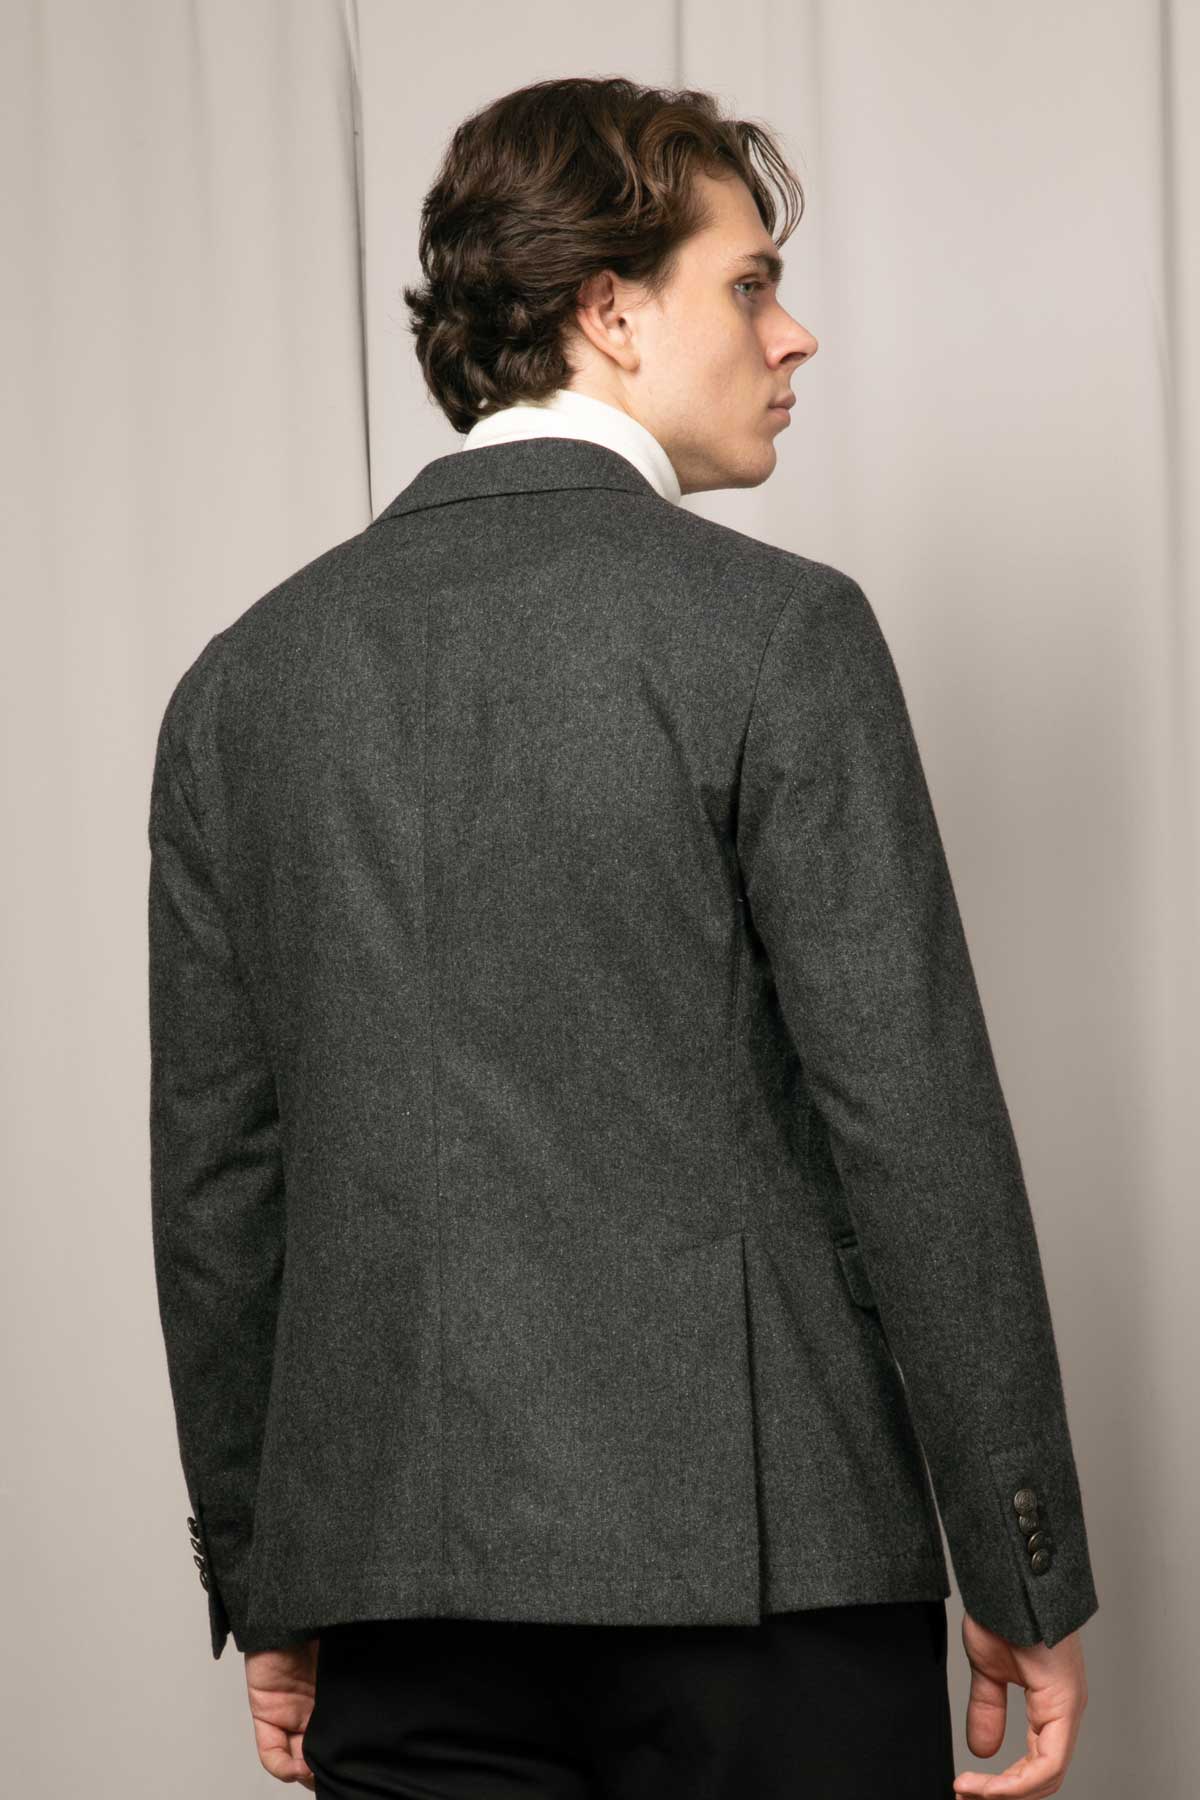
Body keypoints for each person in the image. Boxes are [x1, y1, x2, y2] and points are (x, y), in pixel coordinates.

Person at [147, 74, 1098, 1798]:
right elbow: (913, 1128)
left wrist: (273, 1576)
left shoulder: (240, 689)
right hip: (770, 1593)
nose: (794, 335)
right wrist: (1021, 1561)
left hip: (398, 1601)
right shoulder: (778, 634)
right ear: (609, 311)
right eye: (750, 283)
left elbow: (223, 1192)